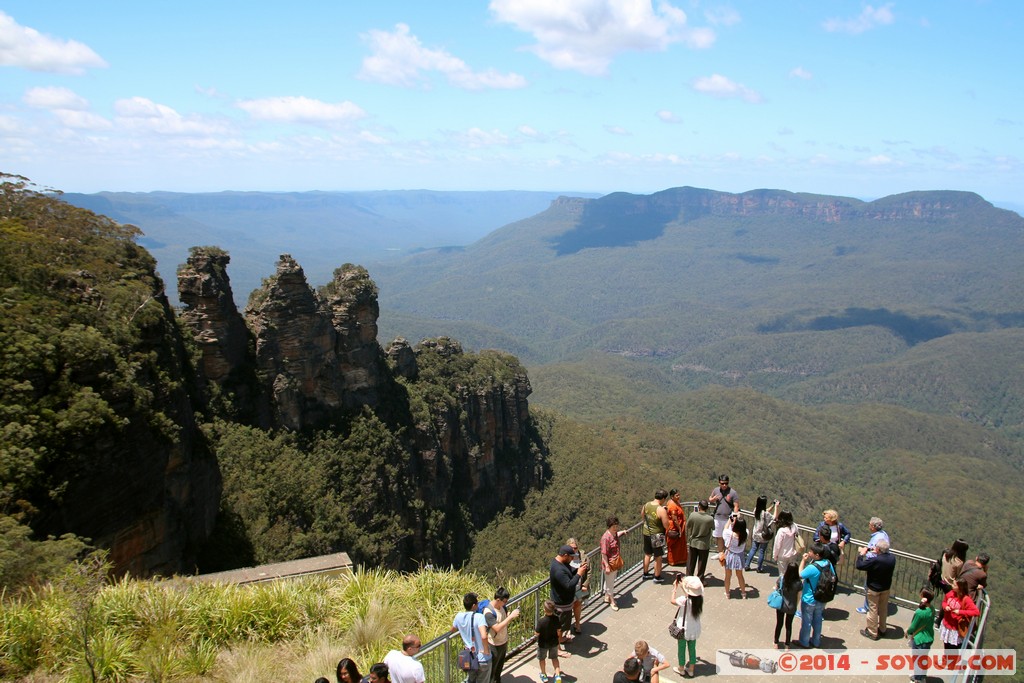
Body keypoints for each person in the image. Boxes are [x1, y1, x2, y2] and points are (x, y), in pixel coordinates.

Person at [855, 539, 896, 640]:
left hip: (874, 589)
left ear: (878, 549)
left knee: (873, 609)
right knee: (883, 609)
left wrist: (861, 554)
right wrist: (875, 551)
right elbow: (883, 557)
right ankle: (882, 629)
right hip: (886, 587)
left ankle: (872, 632)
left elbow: (859, 566)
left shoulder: (875, 560)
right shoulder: (892, 558)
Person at [550, 544, 587, 644]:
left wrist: (579, 568)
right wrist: (579, 574)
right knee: (560, 626)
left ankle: (561, 639)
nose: (572, 559)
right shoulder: (558, 570)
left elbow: (569, 571)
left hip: (565, 601)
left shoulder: (561, 563)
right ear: (565, 555)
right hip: (561, 603)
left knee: (563, 625)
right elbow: (569, 585)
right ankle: (558, 648)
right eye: (571, 557)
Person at [669, 575, 704, 679]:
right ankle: (691, 670)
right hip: (694, 629)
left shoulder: (683, 600)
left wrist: (674, 589)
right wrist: (682, 586)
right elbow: (690, 594)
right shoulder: (700, 599)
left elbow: (672, 601)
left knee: (681, 649)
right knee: (692, 649)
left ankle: (681, 668)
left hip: (683, 629)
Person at [452, 592, 491, 682]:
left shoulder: (458, 617)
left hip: (469, 657)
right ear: (473, 605)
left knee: (471, 679)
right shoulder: (479, 617)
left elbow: (452, 630)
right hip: (482, 658)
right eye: (477, 603)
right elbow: (484, 636)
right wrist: (486, 650)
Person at [797, 543, 830, 648]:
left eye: (811, 551)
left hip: (809, 598)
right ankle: (816, 641)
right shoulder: (828, 563)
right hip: (822, 597)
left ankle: (804, 642)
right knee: (818, 619)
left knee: (807, 621)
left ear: (817, 555)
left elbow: (800, 574)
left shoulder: (813, 567)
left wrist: (803, 560)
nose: (809, 552)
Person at [484, 587, 520, 683]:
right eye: (504, 601)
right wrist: (511, 617)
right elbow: (496, 628)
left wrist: (509, 615)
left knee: (499, 668)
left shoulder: (502, 606)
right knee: (492, 670)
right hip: (494, 645)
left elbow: (505, 615)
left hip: (503, 641)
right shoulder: (488, 612)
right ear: (498, 600)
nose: (506, 603)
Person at [857, 517, 889, 614]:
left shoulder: (877, 538)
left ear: (873, 527)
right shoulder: (884, 534)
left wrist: (863, 552)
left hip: (874, 565)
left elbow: (874, 553)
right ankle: (874, 607)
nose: (869, 526)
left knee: (869, 586)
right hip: (882, 564)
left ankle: (868, 608)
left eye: (870, 524)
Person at [939, 578, 980, 650]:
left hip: (955, 628)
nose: (952, 585)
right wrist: (945, 606)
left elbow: (976, 612)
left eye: (955, 585)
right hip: (947, 624)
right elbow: (944, 602)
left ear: (960, 587)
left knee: (953, 649)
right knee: (946, 647)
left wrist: (960, 612)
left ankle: (951, 660)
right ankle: (945, 660)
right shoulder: (951, 593)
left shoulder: (966, 599)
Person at [641, 490, 671, 582]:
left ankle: (645, 573)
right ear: (662, 499)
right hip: (657, 535)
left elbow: (642, 515)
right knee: (658, 557)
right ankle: (657, 576)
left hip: (646, 532)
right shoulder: (661, 510)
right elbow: (666, 525)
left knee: (647, 554)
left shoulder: (646, 505)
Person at [907, 588, 935, 683]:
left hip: (919, 639)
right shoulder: (932, 609)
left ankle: (917, 679)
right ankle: (922, 676)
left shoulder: (920, 612)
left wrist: (907, 632)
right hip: (929, 637)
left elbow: (913, 627)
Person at [602, 515, 628, 611]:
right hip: (610, 564)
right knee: (610, 583)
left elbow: (617, 534)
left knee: (609, 580)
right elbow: (603, 554)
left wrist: (623, 532)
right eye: (614, 527)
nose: (616, 528)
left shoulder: (614, 534)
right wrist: (607, 566)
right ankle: (612, 601)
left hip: (615, 562)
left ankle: (606, 596)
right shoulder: (605, 538)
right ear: (609, 526)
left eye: (616, 526)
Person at [708, 475, 739, 556]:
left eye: (726, 483)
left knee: (727, 537)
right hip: (717, 517)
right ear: (719, 483)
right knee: (719, 537)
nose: (724, 485)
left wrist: (734, 518)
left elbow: (736, 506)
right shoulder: (716, 490)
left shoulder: (733, 493)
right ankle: (721, 553)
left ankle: (726, 553)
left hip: (728, 519)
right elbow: (710, 499)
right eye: (722, 483)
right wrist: (713, 499)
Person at [773, 563, 802, 649]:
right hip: (791, 606)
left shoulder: (781, 579)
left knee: (779, 624)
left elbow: (776, 588)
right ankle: (787, 644)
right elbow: (799, 596)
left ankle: (776, 642)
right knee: (788, 625)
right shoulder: (798, 583)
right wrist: (795, 605)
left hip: (781, 605)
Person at [685, 500, 714, 583]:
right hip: (704, 543)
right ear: (707, 508)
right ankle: (700, 580)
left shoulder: (693, 515)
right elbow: (713, 528)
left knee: (691, 562)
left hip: (693, 541)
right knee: (702, 563)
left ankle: (688, 578)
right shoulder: (710, 518)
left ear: (699, 506)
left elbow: (688, 526)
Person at [745, 496, 775, 573]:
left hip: (756, 534)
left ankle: (747, 565)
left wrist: (772, 505)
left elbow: (765, 511)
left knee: (753, 549)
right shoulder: (766, 514)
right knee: (761, 551)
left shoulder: (756, 510)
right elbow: (774, 517)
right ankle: (759, 568)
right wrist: (776, 507)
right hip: (764, 535)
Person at [721, 515, 749, 599]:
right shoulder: (746, 533)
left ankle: (727, 593)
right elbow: (742, 529)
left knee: (728, 576)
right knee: (740, 575)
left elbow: (725, 529)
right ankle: (743, 593)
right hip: (739, 555)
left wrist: (730, 520)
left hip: (730, 555)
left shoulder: (729, 534)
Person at [535, 599, 562, 683]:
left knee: (542, 659)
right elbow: (559, 630)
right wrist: (558, 640)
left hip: (543, 644)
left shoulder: (541, 621)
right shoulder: (556, 619)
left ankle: (544, 674)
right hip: (554, 642)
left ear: (544, 610)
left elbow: (536, 633)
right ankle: (557, 676)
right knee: (555, 658)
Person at [566, 538, 587, 633]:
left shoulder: (582, 557)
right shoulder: (565, 558)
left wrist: (585, 584)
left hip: (579, 586)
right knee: (568, 608)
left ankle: (577, 624)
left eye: (575, 548)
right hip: (569, 588)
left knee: (578, 605)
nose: (574, 550)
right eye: (572, 548)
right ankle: (567, 628)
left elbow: (588, 572)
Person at [772, 510, 800, 579]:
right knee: (790, 574)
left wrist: (775, 556)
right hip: (793, 554)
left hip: (782, 555)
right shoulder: (795, 527)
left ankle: (782, 587)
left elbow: (777, 545)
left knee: (782, 574)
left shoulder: (781, 531)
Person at [665, 489, 689, 567]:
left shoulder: (676, 502)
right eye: (677, 495)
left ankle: (680, 559)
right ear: (672, 496)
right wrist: (679, 528)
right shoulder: (672, 505)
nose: (678, 497)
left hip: (679, 525)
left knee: (680, 544)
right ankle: (673, 560)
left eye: (679, 495)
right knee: (674, 544)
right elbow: (674, 519)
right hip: (674, 527)